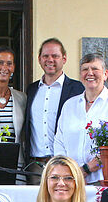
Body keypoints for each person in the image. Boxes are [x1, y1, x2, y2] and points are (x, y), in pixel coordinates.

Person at [54, 53, 108, 185]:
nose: (90, 73)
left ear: (105, 74)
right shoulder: (69, 105)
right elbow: (59, 142)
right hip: (70, 180)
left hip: (101, 179)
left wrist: (86, 169)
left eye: (95, 69)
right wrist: (67, 171)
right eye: (85, 69)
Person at [22, 39, 84, 184]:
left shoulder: (78, 89)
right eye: (45, 56)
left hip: (65, 165)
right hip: (35, 167)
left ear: (64, 58)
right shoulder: (32, 90)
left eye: (55, 56)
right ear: (39, 59)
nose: (50, 60)